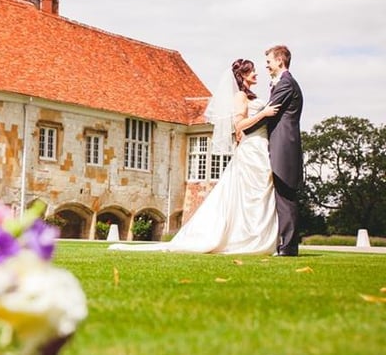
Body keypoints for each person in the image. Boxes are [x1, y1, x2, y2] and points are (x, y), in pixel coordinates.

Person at [108, 59, 280, 254]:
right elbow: (238, 125)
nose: (256, 73)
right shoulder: (240, 96)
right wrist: (264, 114)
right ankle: (248, 239)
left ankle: (253, 236)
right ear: (242, 75)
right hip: (251, 149)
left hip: (258, 146)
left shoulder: (250, 96)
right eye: (251, 71)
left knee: (253, 193)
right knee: (251, 193)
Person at [243, 45, 304, 256]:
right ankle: (283, 244)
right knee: (281, 195)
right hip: (279, 144)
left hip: (284, 145)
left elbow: (270, 112)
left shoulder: (286, 83)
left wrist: (245, 129)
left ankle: (288, 247)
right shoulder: (284, 82)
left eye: (268, 61)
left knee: (285, 195)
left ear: (280, 60)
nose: (266, 66)